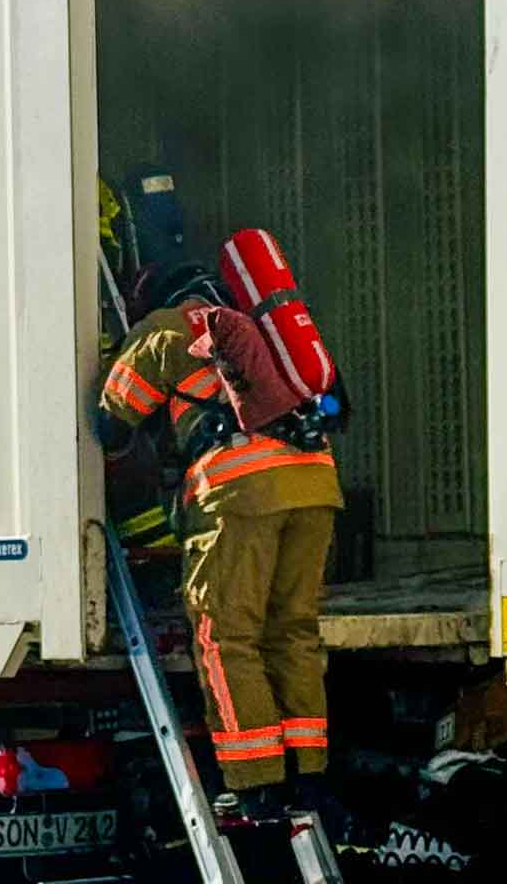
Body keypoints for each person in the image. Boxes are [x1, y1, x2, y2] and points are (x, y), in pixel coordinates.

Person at [96, 212, 343, 822]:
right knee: (292, 632)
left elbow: (111, 419)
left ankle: (256, 781)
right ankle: (308, 778)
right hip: (315, 484)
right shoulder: (268, 330)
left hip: (239, 493)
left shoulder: (166, 328)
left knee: (226, 636)